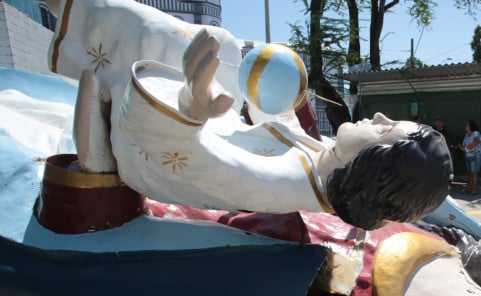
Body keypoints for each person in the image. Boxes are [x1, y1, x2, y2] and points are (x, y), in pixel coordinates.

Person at [46, 0, 451, 231]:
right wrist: (278, 98)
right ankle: (82, 29)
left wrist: (190, 107)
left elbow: (198, 169)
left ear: (377, 166)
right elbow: (277, 130)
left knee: (164, 37)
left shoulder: (281, 183)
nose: (378, 114)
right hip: (209, 132)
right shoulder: (326, 160)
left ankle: (74, 16)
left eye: (386, 128)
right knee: (220, 43)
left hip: (161, 151)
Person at [457, 119, 481, 195]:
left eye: (467, 125)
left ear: (471, 126)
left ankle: (474, 190)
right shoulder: (466, 135)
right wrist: (459, 146)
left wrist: (467, 147)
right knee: (470, 173)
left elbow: (476, 142)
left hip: (476, 155)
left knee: (474, 172)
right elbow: (464, 149)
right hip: (468, 156)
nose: (466, 127)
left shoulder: (476, 133)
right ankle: (470, 188)